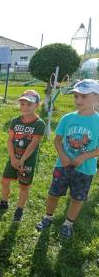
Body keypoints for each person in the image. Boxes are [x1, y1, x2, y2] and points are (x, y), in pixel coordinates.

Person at [35, 79, 99, 239]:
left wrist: (84, 156)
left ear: (97, 97)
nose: (78, 100)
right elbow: (58, 140)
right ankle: (48, 217)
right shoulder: (67, 118)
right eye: (76, 96)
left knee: (77, 198)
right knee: (53, 194)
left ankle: (68, 224)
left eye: (84, 96)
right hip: (62, 165)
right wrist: (63, 156)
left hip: (85, 169)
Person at [0, 90, 45, 222]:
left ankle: (19, 209)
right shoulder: (15, 121)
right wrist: (13, 158)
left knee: (24, 186)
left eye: (29, 104)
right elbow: (10, 140)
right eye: (22, 104)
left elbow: (33, 144)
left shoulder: (39, 124)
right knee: (5, 181)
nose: (25, 107)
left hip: (27, 161)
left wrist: (22, 160)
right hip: (13, 158)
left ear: (37, 105)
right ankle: (4, 203)